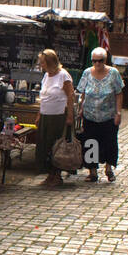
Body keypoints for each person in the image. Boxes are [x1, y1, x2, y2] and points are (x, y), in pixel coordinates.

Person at [75, 47, 125, 182]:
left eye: (100, 61)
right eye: (94, 61)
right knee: (91, 142)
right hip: (90, 114)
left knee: (109, 142)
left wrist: (118, 112)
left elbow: (119, 93)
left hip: (108, 115)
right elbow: (82, 92)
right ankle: (92, 171)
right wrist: (80, 108)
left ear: (105, 60)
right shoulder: (87, 73)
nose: (97, 64)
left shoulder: (113, 73)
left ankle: (109, 169)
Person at [35, 49, 76, 188]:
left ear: (50, 62)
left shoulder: (63, 76)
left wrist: (70, 115)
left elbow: (70, 96)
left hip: (58, 116)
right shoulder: (46, 76)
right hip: (46, 115)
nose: (41, 66)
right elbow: (43, 96)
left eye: (43, 63)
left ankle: (57, 175)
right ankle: (49, 175)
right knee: (45, 145)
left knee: (56, 145)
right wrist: (39, 114)